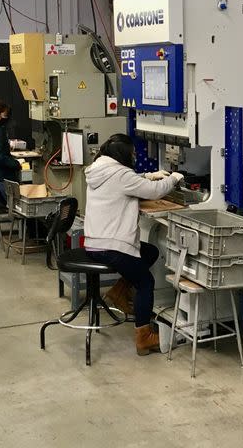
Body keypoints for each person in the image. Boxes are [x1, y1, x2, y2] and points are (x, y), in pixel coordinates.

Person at [83, 133, 184, 356]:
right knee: (145, 281)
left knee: (149, 252)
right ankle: (144, 337)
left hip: (94, 242)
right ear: (123, 155)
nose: (135, 156)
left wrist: (149, 175)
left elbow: (128, 179)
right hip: (112, 246)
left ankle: (119, 292)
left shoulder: (99, 169)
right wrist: (174, 178)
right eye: (133, 153)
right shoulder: (119, 175)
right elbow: (154, 191)